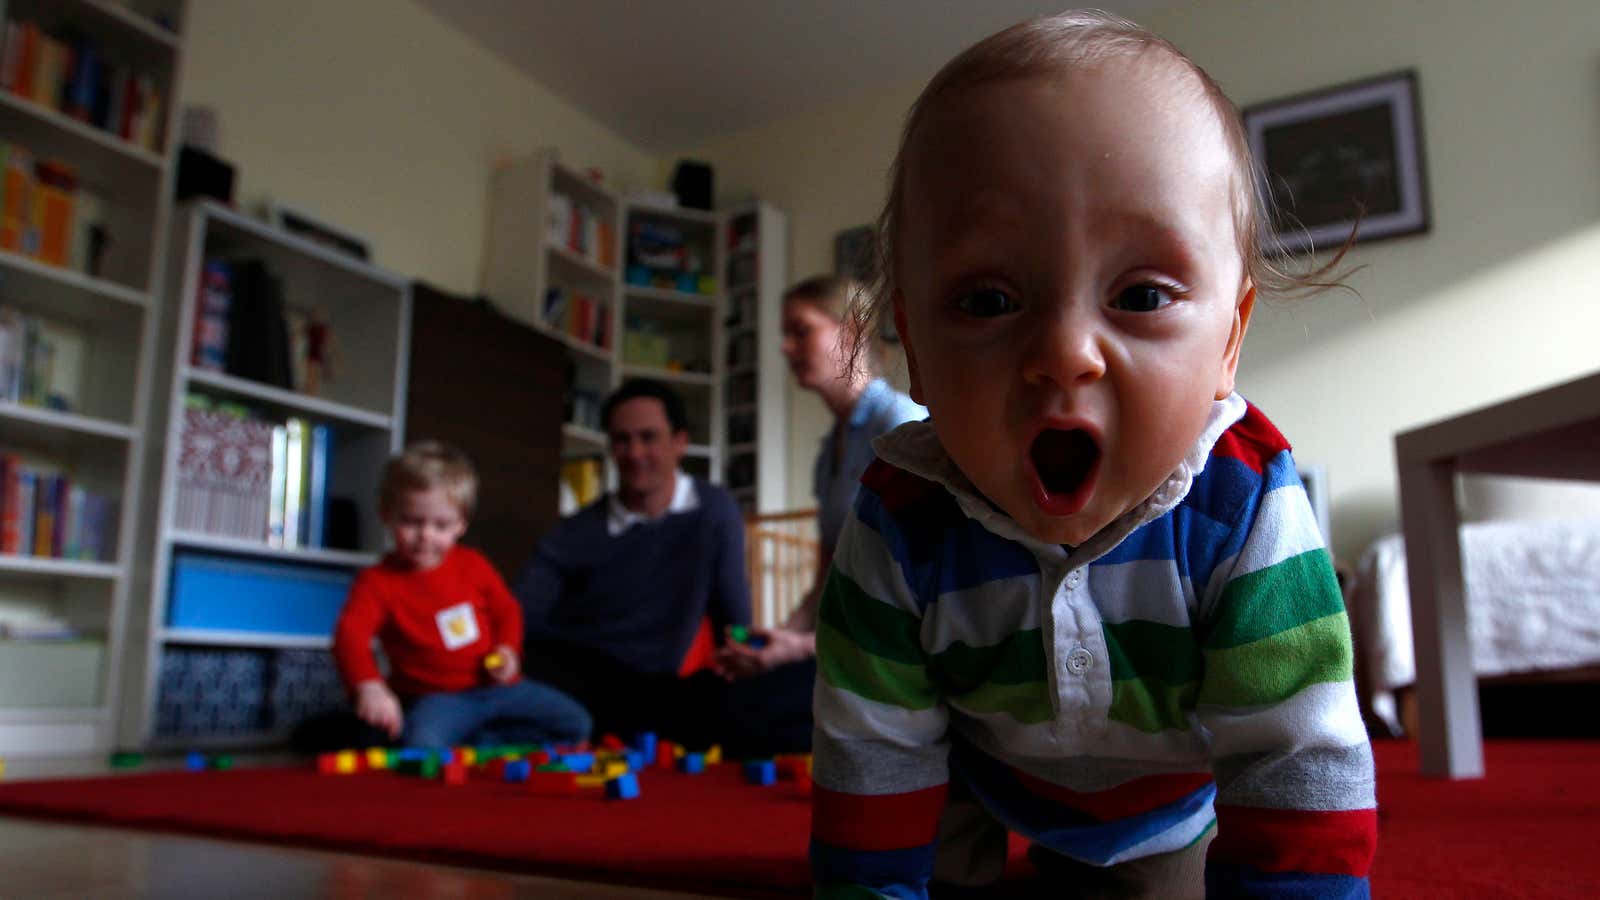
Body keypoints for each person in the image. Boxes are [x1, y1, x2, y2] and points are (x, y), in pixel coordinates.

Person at [809, 11, 1376, 900]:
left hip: (1168, 802)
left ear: (1230, 340)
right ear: (914, 346)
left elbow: (1295, 753)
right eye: (988, 300)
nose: (1066, 351)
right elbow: (871, 744)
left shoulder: (1246, 506)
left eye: (1142, 294)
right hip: (969, 772)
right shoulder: (896, 517)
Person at [713, 275, 923, 757]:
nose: (786, 348)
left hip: (892, 655)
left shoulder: (901, 427)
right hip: (844, 648)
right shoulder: (830, 450)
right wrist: (782, 639)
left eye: (800, 330)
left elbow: (912, 599)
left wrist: (802, 649)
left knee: (744, 720)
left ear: (852, 329)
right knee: (731, 699)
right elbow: (831, 573)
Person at [515, 379, 750, 747]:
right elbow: (520, 617)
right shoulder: (576, 531)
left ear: (680, 441)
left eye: (648, 437)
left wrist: (744, 658)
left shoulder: (714, 511)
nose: (635, 452)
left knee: (771, 693)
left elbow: (734, 620)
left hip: (656, 686)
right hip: (577, 674)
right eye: (622, 440)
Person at [331, 441, 591, 749]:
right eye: (411, 521)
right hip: (436, 699)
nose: (426, 535)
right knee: (422, 745)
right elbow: (350, 636)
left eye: (441, 525)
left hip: (496, 688)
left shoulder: (474, 565)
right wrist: (369, 686)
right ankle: (472, 741)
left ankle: (480, 742)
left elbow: (506, 611)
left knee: (576, 723)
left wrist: (508, 651)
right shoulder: (376, 582)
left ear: (461, 524)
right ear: (387, 516)